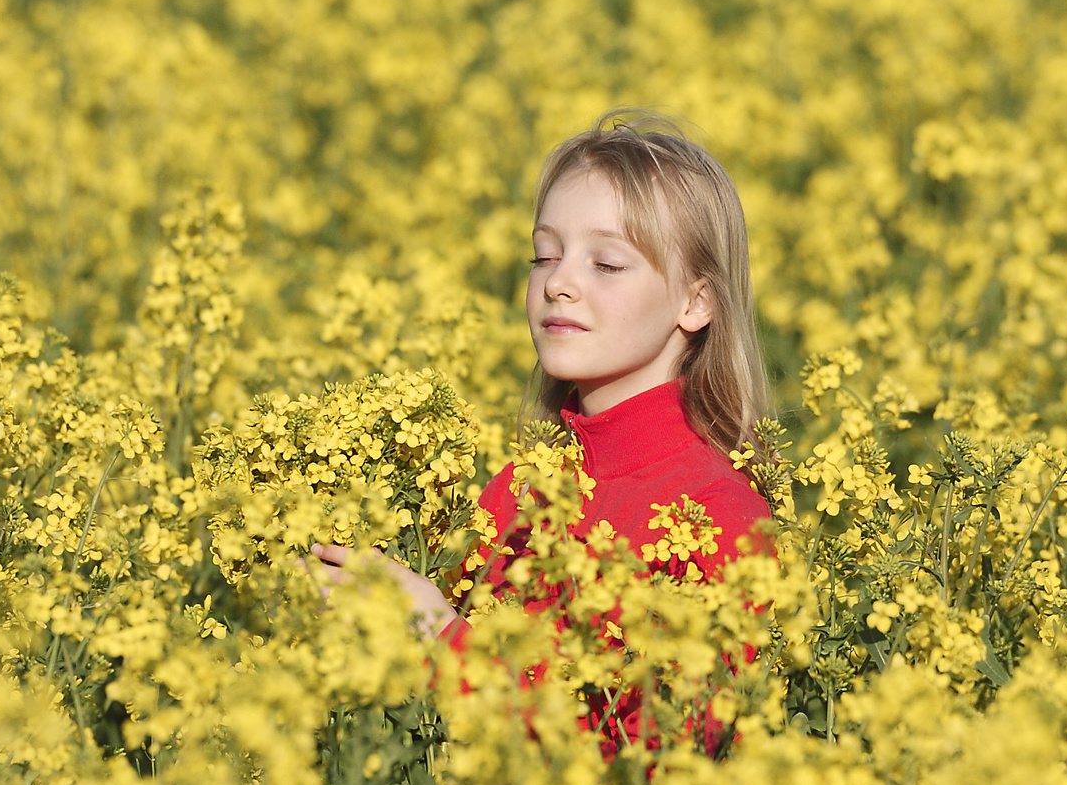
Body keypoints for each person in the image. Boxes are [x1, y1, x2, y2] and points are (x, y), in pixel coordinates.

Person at [314, 110, 773, 746]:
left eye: (606, 264)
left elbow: (649, 763)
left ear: (696, 302)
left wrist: (436, 637)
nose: (558, 282)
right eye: (544, 255)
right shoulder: (517, 491)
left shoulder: (726, 523)